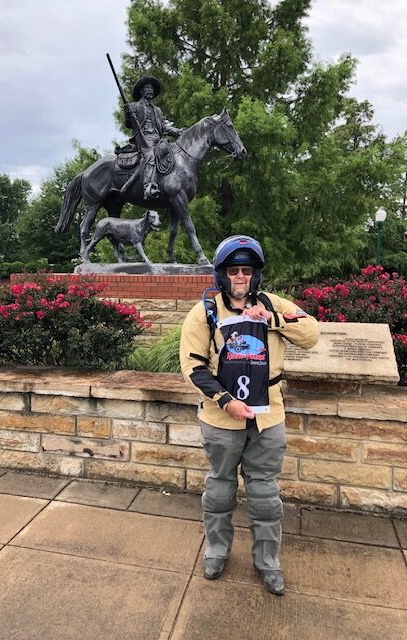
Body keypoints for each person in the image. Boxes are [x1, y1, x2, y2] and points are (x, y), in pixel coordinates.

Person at [179, 235, 319, 595]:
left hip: (267, 417)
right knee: (220, 489)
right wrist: (226, 401)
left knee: (264, 494)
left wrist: (272, 319)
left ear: (255, 274)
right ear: (221, 275)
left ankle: (267, 561)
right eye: (233, 270)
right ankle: (217, 550)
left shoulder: (273, 304)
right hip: (222, 416)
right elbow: (193, 367)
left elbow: (311, 333)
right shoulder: (205, 311)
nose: (239, 276)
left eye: (246, 270)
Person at [124, 75, 183, 200]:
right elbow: (128, 124)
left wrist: (178, 132)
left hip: (158, 139)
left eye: (151, 88)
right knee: (150, 155)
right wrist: (127, 115)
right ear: (141, 91)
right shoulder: (134, 106)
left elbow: (164, 127)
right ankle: (148, 187)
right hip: (143, 138)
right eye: (147, 88)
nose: (150, 90)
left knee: (172, 152)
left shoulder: (158, 111)